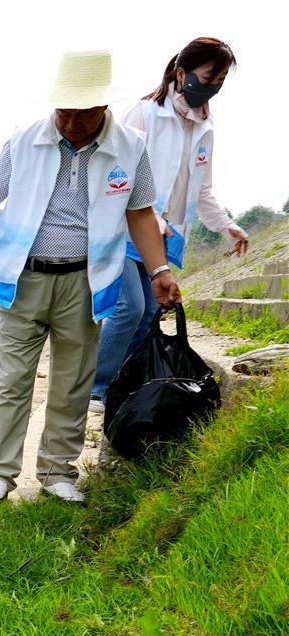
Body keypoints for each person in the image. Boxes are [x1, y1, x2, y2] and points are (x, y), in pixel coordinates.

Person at [0, 50, 181, 506]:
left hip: (85, 281)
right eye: (63, 112)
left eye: (81, 114)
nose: (70, 123)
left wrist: (159, 269)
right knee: (12, 380)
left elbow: (140, 213)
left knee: (73, 380)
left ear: (102, 107)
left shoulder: (131, 145)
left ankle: (57, 472)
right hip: (24, 278)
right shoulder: (25, 138)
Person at [91, 37, 244, 408]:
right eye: (210, 75)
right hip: (124, 226)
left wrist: (227, 226)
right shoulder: (144, 114)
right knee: (130, 308)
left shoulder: (205, 128)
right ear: (182, 73)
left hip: (164, 236)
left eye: (222, 78)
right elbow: (114, 171)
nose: (214, 85)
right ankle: (94, 388)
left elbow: (202, 191)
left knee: (147, 315)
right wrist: (147, 216)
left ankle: (119, 386)